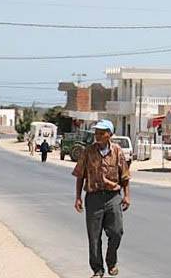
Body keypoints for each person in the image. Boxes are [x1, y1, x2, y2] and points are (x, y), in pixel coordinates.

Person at [72, 119, 130, 278]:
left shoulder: (117, 151)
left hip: (113, 197)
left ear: (109, 134)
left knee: (116, 232)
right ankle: (97, 270)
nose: (97, 135)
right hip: (94, 198)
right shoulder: (88, 152)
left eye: (101, 133)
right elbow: (80, 175)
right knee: (94, 237)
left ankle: (111, 261)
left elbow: (125, 176)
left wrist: (127, 196)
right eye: (96, 132)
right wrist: (78, 197)